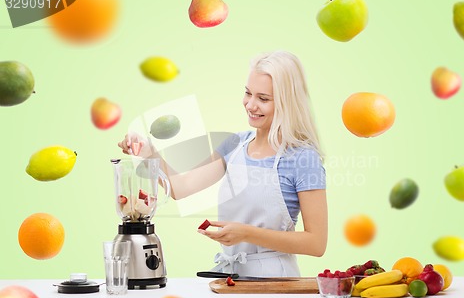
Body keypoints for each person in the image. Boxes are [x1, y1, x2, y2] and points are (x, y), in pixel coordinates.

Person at [118, 51, 328, 277]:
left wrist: (246, 233)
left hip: (275, 280)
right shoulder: (235, 144)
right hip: (230, 277)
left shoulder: (303, 158)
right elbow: (181, 187)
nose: (250, 104)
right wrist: (149, 152)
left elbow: (316, 243)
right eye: (248, 93)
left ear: (288, 102)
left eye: (263, 98)